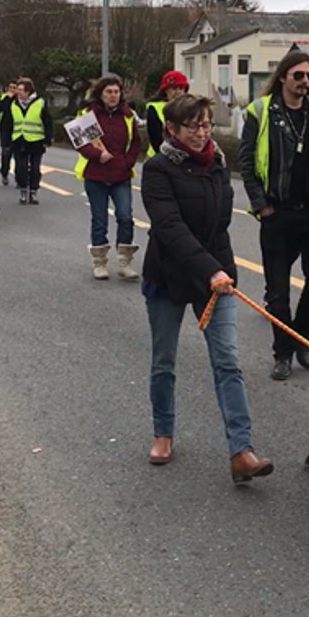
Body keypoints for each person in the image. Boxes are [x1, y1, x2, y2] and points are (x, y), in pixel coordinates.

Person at [140, 93, 273, 482]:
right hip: (168, 277)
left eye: (206, 124)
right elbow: (169, 227)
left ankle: (241, 450)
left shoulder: (217, 162)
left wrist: (223, 272)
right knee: (164, 361)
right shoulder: (157, 169)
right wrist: (209, 270)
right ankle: (163, 433)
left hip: (215, 279)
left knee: (228, 361)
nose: (201, 133)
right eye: (193, 126)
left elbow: (219, 226)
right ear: (172, 129)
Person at [239, 52, 309, 382]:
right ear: (283, 77)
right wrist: (261, 205)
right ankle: (282, 353)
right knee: (278, 292)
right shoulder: (261, 111)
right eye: (298, 75)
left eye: (308, 76)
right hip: (278, 213)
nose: (305, 82)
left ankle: (301, 338)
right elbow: (246, 163)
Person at [75, 73, 144, 280]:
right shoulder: (89, 114)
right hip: (95, 174)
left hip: (121, 175)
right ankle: (100, 262)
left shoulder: (128, 115)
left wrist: (127, 162)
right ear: (101, 94)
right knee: (99, 219)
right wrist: (98, 155)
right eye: (109, 92)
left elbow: (136, 143)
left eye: (116, 92)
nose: (113, 96)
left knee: (125, 216)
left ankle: (125, 262)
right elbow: (81, 143)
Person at [0, 77, 54, 205]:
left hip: (36, 141)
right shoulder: (12, 103)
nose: (17, 92)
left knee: (35, 169)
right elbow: (7, 123)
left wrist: (48, 139)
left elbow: (48, 122)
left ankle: (33, 192)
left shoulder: (40, 103)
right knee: (20, 168)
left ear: (28, 91)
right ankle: (23, 190)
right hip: (19, 140)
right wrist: (6, 141)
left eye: (20, 90)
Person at [144, 70, 189, 155]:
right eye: (174, 88)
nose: (178, 92)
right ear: (165, 90)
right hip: (159, 157)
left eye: (181, 88)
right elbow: (156, 139)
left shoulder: (190, 108)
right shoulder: (154, 108)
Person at [0, 80, 18, 186]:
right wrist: (7, 98)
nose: (12, 90)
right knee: (6, 154)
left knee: (19, 155)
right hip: (5, 130)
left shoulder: (21, 100)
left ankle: (20, 177)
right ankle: (4, 173)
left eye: (15, 87)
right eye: (11, 87)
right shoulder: (4, 98)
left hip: (18, 130)